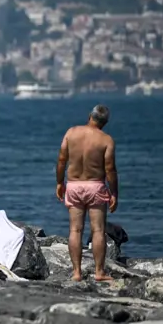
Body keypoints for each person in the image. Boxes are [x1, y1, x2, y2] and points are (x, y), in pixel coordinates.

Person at [56, 104, 119, 282]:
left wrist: (60, 182)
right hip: (95, 187)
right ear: (105, 122)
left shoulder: (71, 132)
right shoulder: (106, 140)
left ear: (89, 116)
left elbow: (61, 160)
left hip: (74, 186)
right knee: (98, 230)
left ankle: (77, 273)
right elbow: (110, 170)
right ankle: (99, 272)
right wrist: (114, 193)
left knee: (75, 230)